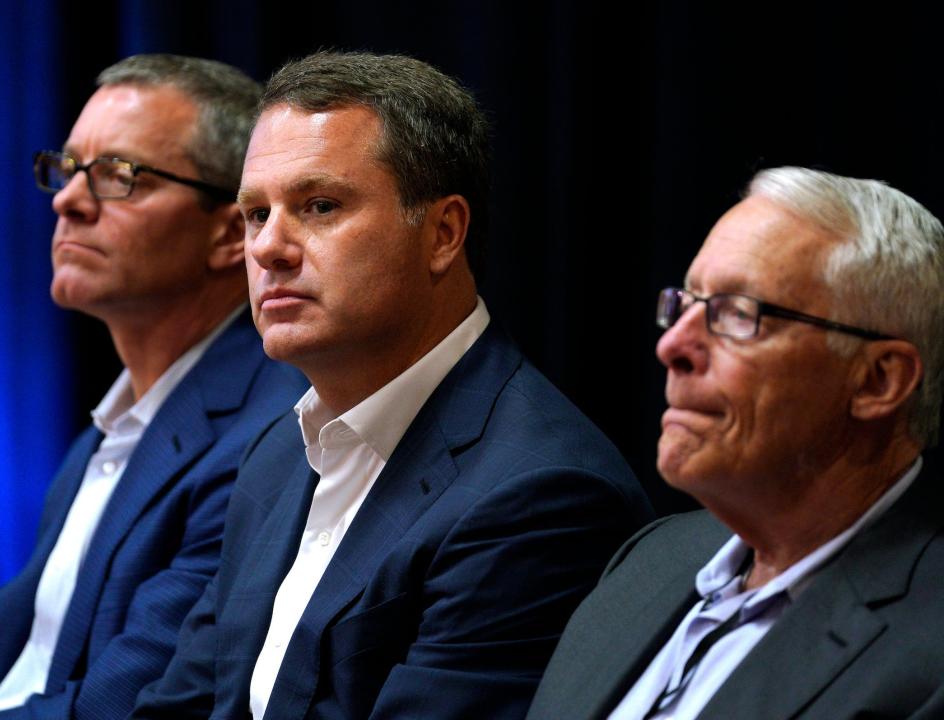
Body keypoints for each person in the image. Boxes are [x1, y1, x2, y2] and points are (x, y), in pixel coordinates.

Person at [130, 50, 654, 720]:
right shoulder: (277, 453)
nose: (268, 248)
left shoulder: (540, 494)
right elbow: (181, 704)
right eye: (257, 213)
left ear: (443, 233)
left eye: (319, 205)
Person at [527, 167, 944, 719]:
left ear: (878, 380)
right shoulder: (649, 562)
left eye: (739, 314)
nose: (673, 345)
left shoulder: (928, 651)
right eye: (687, 303)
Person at [0, 55, 308, 720]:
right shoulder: (108, 429)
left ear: (228, 235)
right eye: (68, 169)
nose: (69, 200)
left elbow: (133, 704)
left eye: (117, 176)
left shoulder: (268, 441)